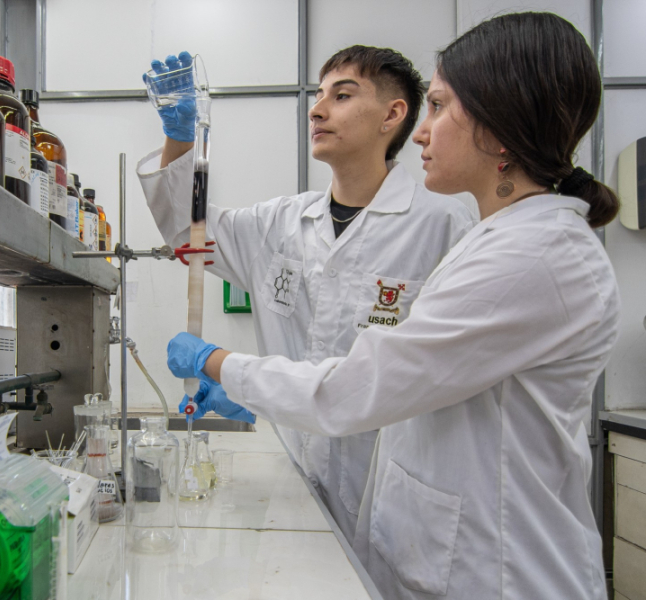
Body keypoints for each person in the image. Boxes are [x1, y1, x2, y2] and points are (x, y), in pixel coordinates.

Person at [166, 12, 620, 600]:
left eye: (438, 106)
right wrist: (257, 392)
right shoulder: (504, 238)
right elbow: (190, 228)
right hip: (434, 542)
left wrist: (221, 363)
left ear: (499, 121)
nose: (425, 133)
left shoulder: (529, 255)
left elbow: (362, 385)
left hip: (502, 570)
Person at [139, 46, 474, 543]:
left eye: (341, 95)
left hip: (391, 493)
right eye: (318, 96)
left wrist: (225, 365)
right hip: (293, 479)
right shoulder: (279, 224)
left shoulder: (444, 224)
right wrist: (179, 137)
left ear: (393, 114)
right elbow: (186, 232)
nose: (317, 109)